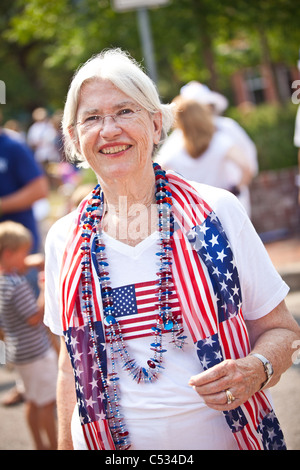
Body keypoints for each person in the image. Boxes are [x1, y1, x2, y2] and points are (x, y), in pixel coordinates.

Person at [44, 48, 300, 451]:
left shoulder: (218, 212)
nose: (109, 129)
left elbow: (283, 332)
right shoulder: (64, 238)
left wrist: (257, 368)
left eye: (126, 111)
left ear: (157, 124)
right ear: (74, 138)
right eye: (92, 117)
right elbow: (68, 369)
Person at [158, 81, 258, 216]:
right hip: (227, 206)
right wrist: (236, 190)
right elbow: (248, 166)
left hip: (200, 214)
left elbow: (158, 173)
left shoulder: (174, 145)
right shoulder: (220, 140)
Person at [0, 221, 58, 450]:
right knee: (47, 403)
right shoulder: (17, 284)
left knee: (32, 400)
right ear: (9, 253)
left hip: (19, 353)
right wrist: (44, 289)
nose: (26, 258)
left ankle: (39, 445)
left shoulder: (4, 281)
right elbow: (34, 317)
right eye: (23, 252)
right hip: (37, 354)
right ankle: (54, 445)